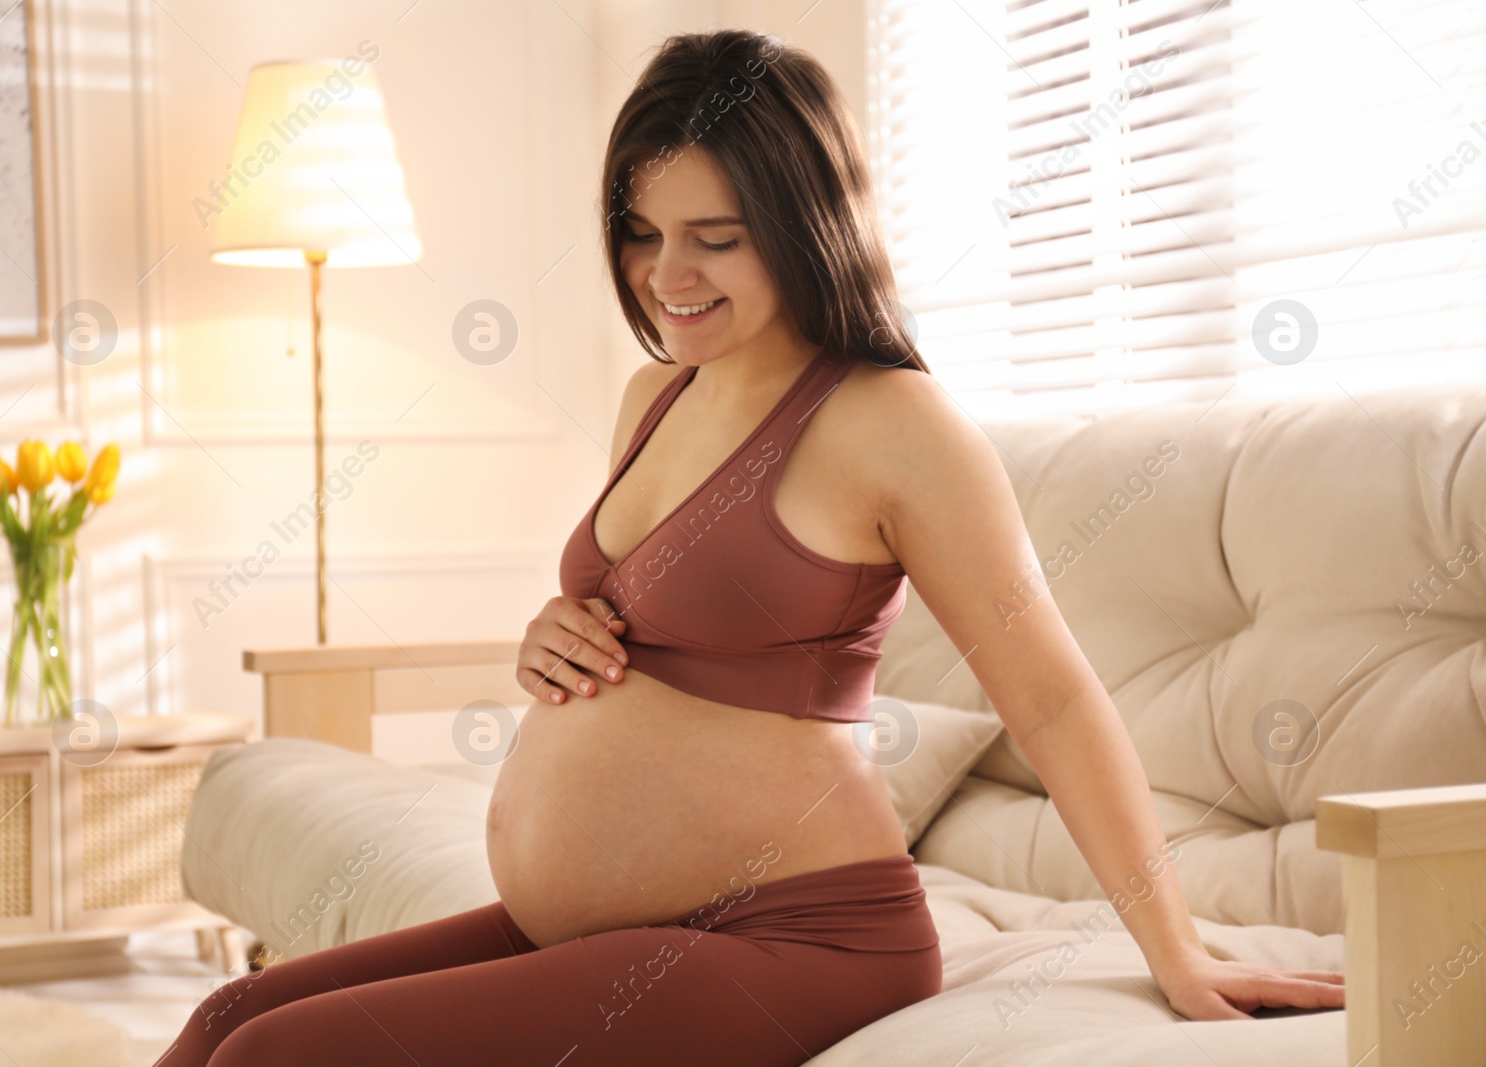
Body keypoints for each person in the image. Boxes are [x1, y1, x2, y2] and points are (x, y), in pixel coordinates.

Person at [158, 28, 1344, 1067]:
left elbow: (1054, 701)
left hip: (797, 935)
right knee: (227, 1017)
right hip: (607, 926)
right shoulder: (656, 396)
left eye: (713, 238)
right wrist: (554, 631)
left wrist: (1176, 948)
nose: (665, 276)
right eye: (640, 231)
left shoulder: (893, 423)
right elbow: (663, 630)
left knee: (276, 1054)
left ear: (801, 223)